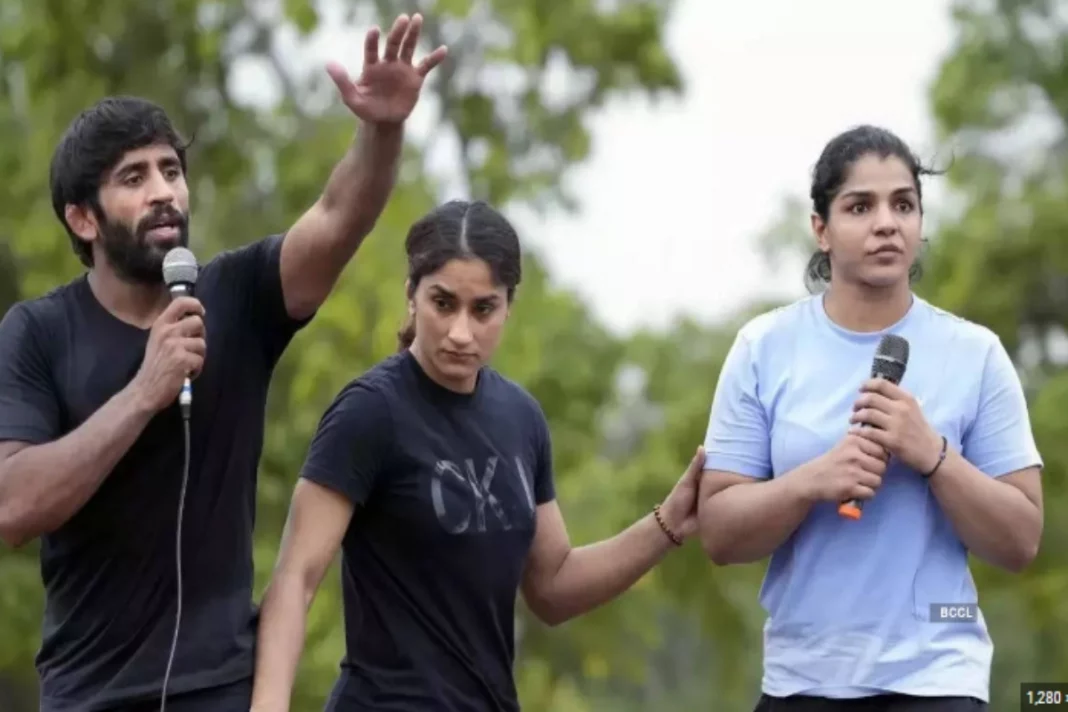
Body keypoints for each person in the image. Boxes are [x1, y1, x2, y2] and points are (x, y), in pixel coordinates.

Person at [0, 13, 447, 712]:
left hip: (222, 692)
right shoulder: (37, 333)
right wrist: (144, 392)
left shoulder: (237, 295)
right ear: (83, 219)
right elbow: (12, 506)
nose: (163, 193)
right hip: (89, 696)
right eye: (134, 177)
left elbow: (336, 218)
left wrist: (382, 131)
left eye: (172, 171)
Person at [247, 199, 706, 711]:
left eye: (482, 309)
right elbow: (296, 579)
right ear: (411, 296)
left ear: (508, 305)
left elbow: (552, 587)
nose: (461, 332)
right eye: (443, 304)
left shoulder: (521, 418)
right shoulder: (370, 413)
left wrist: (668, 524)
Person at [696, 125, 1044, 711]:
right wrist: (811, 481)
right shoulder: (764, 346)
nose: (887, 222)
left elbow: (1020, 541)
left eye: (903, 204)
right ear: (821, 229)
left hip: (937, 678)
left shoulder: (975, 353)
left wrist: (933, 455)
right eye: (861, 206)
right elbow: (720, 533)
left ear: (920, 224)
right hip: (801, 681)